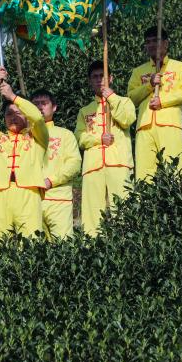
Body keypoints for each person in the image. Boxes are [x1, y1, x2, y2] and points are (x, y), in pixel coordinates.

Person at [0, 66, 48, 252]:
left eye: (18, 113)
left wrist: (14, 97)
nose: (13, 117)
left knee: (31, 244)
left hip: (28, 193)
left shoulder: (37, 138)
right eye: (9, 114)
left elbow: (38, 119)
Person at [75, 60, 136, 236]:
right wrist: (98, 139)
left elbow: (126, 119)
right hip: (93, 166)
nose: (99, 80)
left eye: (103, 76)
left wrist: (112, 97)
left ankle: (126, 245)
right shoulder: (84, 111)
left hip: (119, 163)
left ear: (111, 78)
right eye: (95, 77)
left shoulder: (124, 101)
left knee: (123, 209)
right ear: (89, 81)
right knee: (92, 213)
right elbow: (80, 137)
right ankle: (92, 248)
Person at [126, 27, 182, 180]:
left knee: (174, 169)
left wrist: (163, 101)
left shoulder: (180, 67)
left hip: (170, 124)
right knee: (144, 173)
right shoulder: (138, 71)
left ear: (166, 43)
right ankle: (144, 203)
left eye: (155, 41)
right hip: (144, 126)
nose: (151, 45)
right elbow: (131, 97)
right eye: (147, 42)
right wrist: (149, 84)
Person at [31, 89, 81, 240]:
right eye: (35, 104)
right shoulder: (24, 135)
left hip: (58, 200)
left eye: (44, 103)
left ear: (54, 107)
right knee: (31, 251)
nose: (40, 107)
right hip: (31, 200)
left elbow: (74, 164)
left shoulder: (65, 134)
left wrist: (50, 181)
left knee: (63, 247)